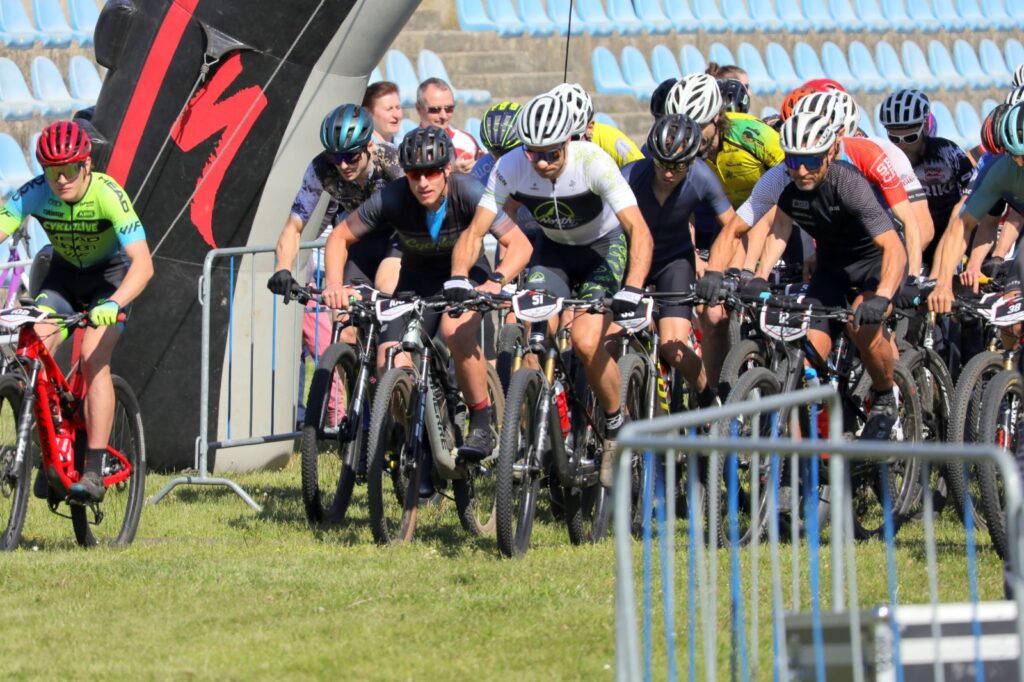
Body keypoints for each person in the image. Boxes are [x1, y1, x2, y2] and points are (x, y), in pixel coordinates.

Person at [465, 93, 654, 487]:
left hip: (603, 249)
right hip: (553, 251)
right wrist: (459, 276)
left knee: (585, 341)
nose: (541, 163)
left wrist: (633, 287)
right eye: (533, 153)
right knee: (534, 335)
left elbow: (638, 229)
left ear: (569, 140)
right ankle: (541, 432)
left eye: (551, 153)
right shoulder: (511, 165)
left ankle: (615, 427)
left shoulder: (593, 162)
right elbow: (477, 228)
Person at [321, 126, 532, 461]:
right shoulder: (393, 197)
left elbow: (520, 245)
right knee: (388, 358)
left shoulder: (469, 192)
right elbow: (339, 237)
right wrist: (334, 284)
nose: (422, 182)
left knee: (454, 331)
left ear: (447, 169)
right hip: (416, 279)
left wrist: (496, 281)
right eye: (414, 174)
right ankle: (416, 442)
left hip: (465, 275)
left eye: (431, 172)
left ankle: (480, 421)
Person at [698, 113, 908, 438]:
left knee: (863, 328)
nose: (801, 171)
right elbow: (734, 229)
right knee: (803, 360)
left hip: (876, 265)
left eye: (811, 160)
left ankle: (884, 396)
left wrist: (881, 297)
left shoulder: (848, 184)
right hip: (831, 269)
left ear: (830, 152)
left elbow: (893, 248)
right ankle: (797, 457)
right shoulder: (777, 180)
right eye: (794, 160)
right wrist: (714, 272)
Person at [0, 120, 154, 502]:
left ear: (87, 165)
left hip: (109, 281)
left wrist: (115, 303)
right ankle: (52, 448)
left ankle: (94, 468)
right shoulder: (36, 192)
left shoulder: (107, 193)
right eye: (52, 171)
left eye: (69, 169)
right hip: (63, 280)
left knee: (91, 357)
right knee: (32, 349)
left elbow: (143, 264)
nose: (61, 179)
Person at [267, 104, 403, 362]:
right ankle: (354, 382)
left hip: (400, 236)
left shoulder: (391, 161)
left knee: (386, 286)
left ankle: (400, 370)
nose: (342, 165)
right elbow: (293, 227)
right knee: (343, 323)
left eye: (350, 156)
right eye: (335, 157)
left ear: (369, 146)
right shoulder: (321, 168)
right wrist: (282, 268)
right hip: (361, 239)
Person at [622, 113, 734, 409]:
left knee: (675, 349)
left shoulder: (702, 177)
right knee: (610, 338)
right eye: (662, 163)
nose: (669, 173)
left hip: (674, 261)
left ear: (692, 160)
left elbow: (733, 226)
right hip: (633, 259)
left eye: (678, 166)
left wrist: (719, 269)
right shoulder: (630, 176)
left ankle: (707, 397)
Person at [929, 102, 1024, 315]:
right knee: (1012, 311)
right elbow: (962, 224)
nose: (1021, 164)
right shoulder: (1003, 170)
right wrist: (943, 283)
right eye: (1016, 157)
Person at [878, 89, 975, 274]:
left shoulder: (947, 152)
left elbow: (975, 192)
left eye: (910, 138)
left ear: (924, 127)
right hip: (911, 242)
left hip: (951, 238)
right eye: (894, 138)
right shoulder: (883, 159)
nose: (902, 145)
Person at [550, 82, 644, 168]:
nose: (567, 145)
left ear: (590, 128)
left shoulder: (610, 140)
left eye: (573, 138)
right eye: (559, 141)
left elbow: (643, 169)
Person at [415, 77, 479, 173]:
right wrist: (452, 173)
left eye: (449, 109)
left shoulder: (467, 140)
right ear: (418, 108)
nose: (443, 116)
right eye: (435, 110)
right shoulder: (410, 146)